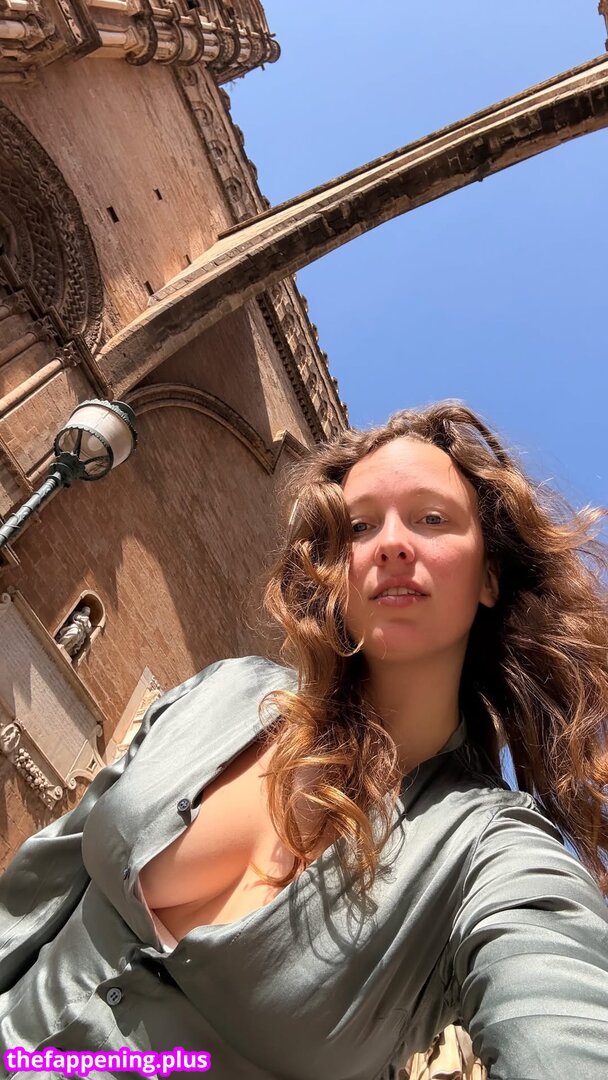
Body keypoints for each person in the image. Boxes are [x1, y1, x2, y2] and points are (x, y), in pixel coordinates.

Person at [0, 400, 607, 1080]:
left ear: (489, 576)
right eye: (359, 526)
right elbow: (43, 885)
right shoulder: (227, 691)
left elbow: (565, 1024)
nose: (391, 543)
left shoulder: (487, 850)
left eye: (431, 519)